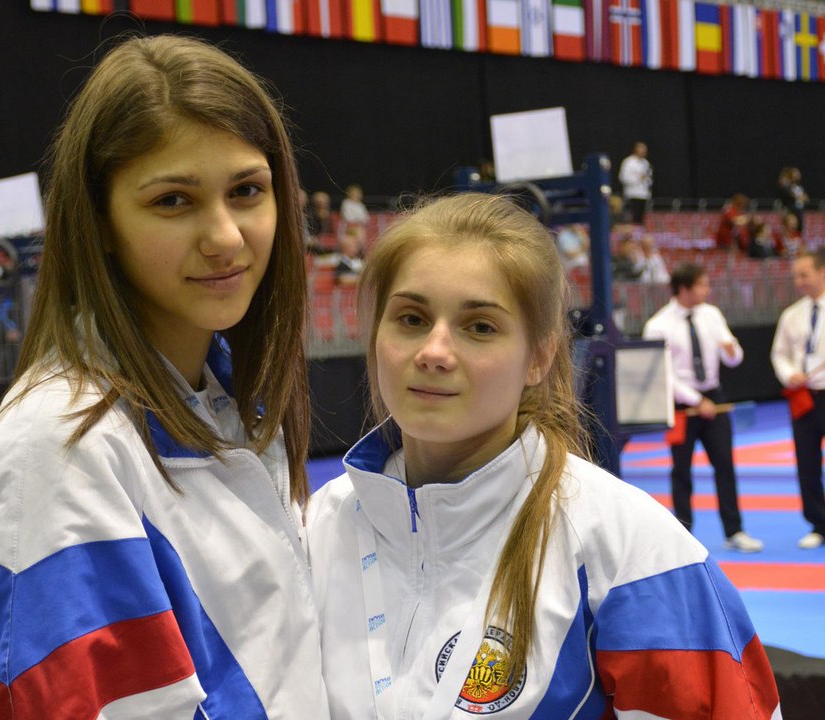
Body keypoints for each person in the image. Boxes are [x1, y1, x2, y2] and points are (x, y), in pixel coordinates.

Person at [0, 35, 328, 718]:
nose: (225, 237)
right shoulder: (58, 454)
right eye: (174, 201)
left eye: (247, 190)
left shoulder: (235, 404)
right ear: (98, 223)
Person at [307, 194, 780, 719]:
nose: (434, 352)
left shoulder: (632, 551)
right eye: (411, 318)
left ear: (539, 356)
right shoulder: (319, 527)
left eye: (479, 327)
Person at [642, 263, 763, 552]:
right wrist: (696, 401)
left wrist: (732, 351)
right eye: (702, 285)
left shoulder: (712, 314)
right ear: (684, 289)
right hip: (681, 404)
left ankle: (734, 530)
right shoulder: (658, 325)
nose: (707, 290)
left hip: (714, 395)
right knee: (681, 470)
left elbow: (733, 357)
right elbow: (663, 375)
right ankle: (683, 535)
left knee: (725, 465)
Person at [770, 250, 825, 549]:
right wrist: (789, 374)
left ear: (822, 272)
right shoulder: (791, 315)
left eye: (805, 274)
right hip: (803, 396)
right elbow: (779, 354)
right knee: (807, 461)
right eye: (796, 276)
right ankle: (818, 523)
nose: (799, 281)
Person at [618, 141, 652, 225]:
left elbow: (648, 177)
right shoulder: (628, 162)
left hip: (643, 194)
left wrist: (646, 180)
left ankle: (639, 230)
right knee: (632, 217)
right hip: (632, 194)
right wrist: (637, 179)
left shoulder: (645, 163)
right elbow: (623, 177)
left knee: (640, 218)